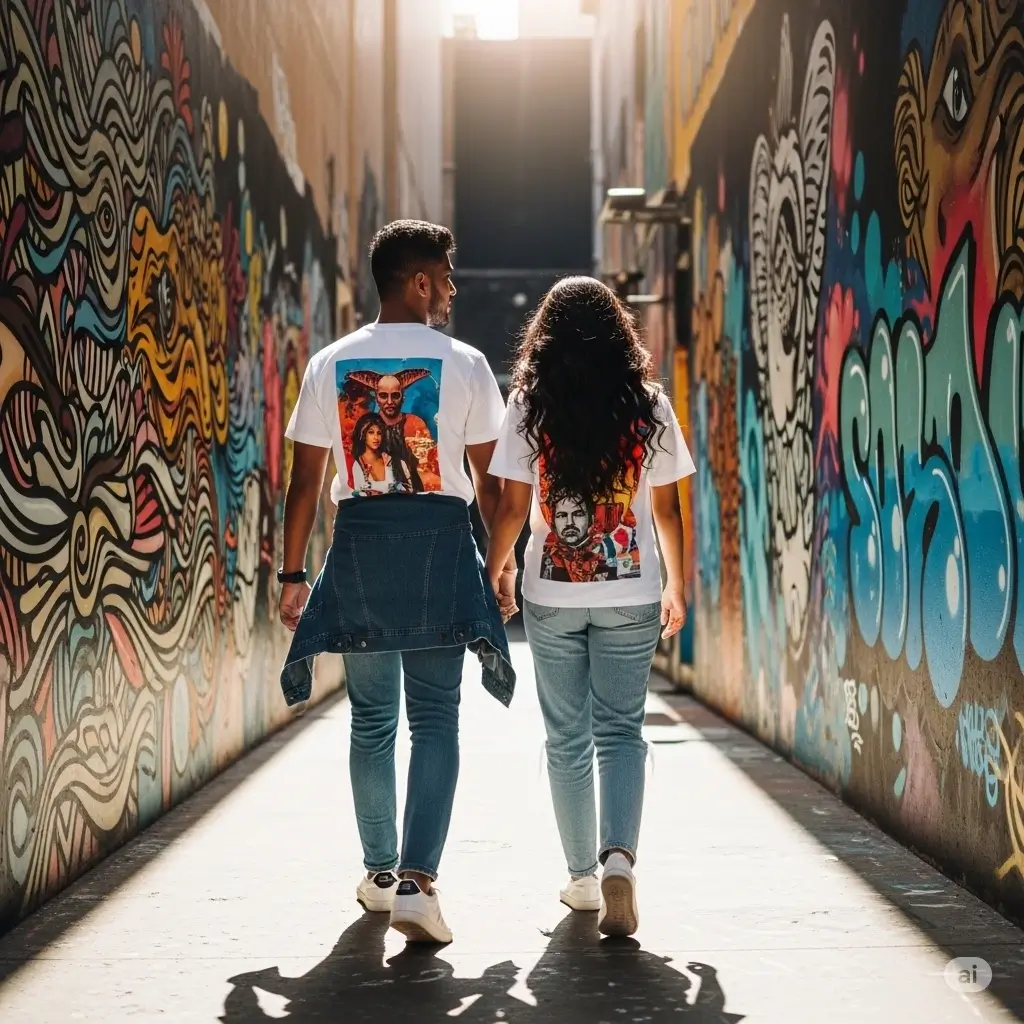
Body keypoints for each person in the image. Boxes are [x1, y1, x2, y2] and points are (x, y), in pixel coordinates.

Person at [278, 220, 519, 946]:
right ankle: (418, 883)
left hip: (360, 545)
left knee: (372, 721)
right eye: (443, 277)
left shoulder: (330, 363)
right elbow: (493, 485)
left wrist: (293, 574)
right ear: (417, 281)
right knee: (436, 720)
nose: (448, 289)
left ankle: (380, 873)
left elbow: (304, 483)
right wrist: (499, 567)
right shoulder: (469, 364)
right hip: (440, 543)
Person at [485, 276, 695, 938]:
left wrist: (499, 566)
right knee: (621, 732)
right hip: (632, 592)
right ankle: (619, 861)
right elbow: (666, 508)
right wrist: (677, 585)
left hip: (552, 593)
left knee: (566, 737)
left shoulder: (527, 404)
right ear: (619, 334)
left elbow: (514, 506)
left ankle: (581, 877)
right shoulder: (649, 405)